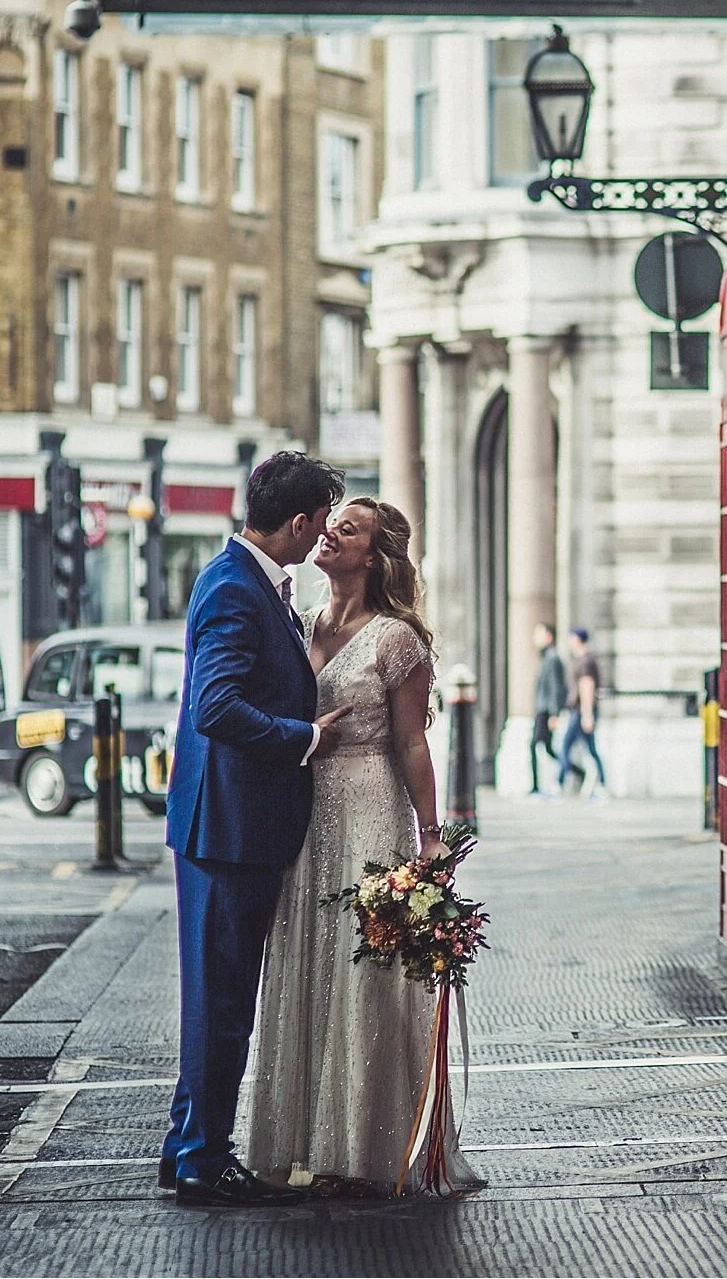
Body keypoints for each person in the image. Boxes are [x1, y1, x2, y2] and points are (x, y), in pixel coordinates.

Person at [242, 497, 483, 1198]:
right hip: (307, 812)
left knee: (365, 977)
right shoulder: (301, 622)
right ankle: (306, 1141)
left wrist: (432, 836)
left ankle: (371, 1147)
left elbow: (412, 743)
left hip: (373, 810)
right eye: (331, 523)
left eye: (346, 529)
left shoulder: (395, 639)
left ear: (374, 559)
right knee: (305, 962)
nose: (328, 532)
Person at [161, 451, 351, 1208]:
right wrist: (302, 737)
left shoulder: (249, 583)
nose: (317, 544)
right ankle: (204, 1162)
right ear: (297, 521)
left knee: (218, 997)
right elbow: (216, 706)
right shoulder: (235, 588)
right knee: (222, 1003)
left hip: (231, 827)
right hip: (226, 830)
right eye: (317, 529)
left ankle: (185, 1149)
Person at [558, 627, 608, 799]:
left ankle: (564, 781)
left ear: (578, 640)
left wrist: (587, 715)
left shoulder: (585, 661)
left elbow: (587, 687)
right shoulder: (583, 660)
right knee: (591, 749)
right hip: (581, 711)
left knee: (565, 747)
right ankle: (600, 783)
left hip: (581, 711)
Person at [528, 621, 566, 796]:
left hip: (545, 711)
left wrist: (554, 714)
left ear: (549, 636)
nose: (536, 638)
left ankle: (536, 787)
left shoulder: (552, 658)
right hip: (542, 709)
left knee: (535, 745)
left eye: (539, 633)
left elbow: (555, 687)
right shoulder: (546, 657)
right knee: (547, 748)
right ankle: (572, 770)